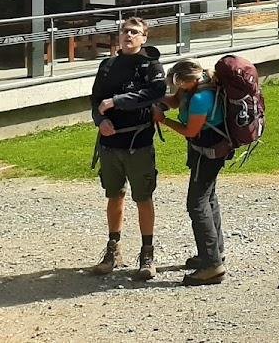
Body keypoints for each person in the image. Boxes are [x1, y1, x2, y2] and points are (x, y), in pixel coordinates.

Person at [89, 15, 166, 279]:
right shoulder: (107, 65)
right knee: (114, 196)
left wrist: (117, 101)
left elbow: (155, 92)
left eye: (134, 32)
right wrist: (100, 121)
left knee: (143, 198)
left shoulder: (151, 65)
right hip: (110, 144)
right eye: (125, 31)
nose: (128, 35)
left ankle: (147, 254)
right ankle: (113, 250)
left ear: (144, 38)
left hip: (139, 143)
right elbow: (96, 101)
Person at [156, 58, 229, 286]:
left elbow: (190, 131)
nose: (175, 88)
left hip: (208, 154)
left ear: (184, 80)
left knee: (196, 204)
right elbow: (175, 101)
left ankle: (212, 266)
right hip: (209, 151)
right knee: (209, 198)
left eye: (176, 84)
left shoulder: (200, 98)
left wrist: (163, 120)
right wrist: (152, 97)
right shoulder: (195, 86)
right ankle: (215, 252)